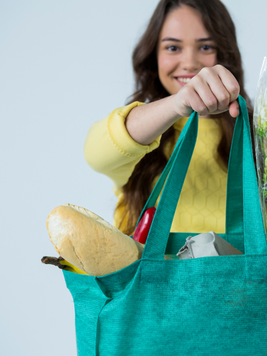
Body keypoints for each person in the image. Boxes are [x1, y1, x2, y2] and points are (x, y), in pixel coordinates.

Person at [84, 0, 253, 237]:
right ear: (153, 55)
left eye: (205, 47)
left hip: (240, 276)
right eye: (173, 48)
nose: (190, 63)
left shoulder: (261, 140)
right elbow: (95, 155)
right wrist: (178, 103)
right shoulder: (141, 130)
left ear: (224, 54)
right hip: (148, 276)